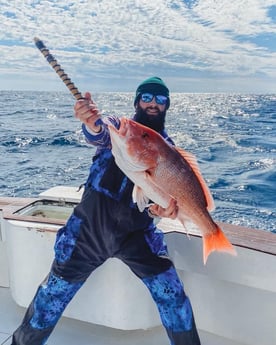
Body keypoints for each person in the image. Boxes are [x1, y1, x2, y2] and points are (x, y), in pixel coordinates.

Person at [11, 77, 201, 345]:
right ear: (137, 101)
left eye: (160, 99)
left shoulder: (168, 152)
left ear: (167, 106)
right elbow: (97, 130)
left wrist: (166, 210)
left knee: (172, 296)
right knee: (50, 298)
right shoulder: (118, 128)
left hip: (138, 235)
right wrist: (89, 119)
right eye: (147, 97)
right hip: (88, 231)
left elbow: (164, 201)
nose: (153, 104)